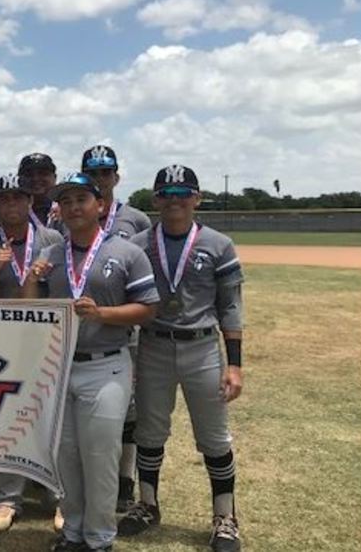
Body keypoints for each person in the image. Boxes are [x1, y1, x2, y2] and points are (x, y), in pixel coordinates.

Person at [22, 172, 159, 552]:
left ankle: (99, 539)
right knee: (66, 454)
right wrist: (33, 279)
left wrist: (103, 314)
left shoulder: (127, 251)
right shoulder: (50, 255)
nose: (73, 207)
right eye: (65, 201)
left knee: (99, 455)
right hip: (61, 364)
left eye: (81, 199)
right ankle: (73, 531)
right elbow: (30, 308)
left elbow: (148, 308)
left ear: (100, 206)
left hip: (106, 363)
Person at [120, 165, 244, 552]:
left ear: (197, 197)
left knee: (213, 435)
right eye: (166, 193)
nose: (174, 200)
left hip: (202, 346)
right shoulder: (138, 244)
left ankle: (225, 516)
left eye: (182, 192)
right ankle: (148, 504)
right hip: (153, 345)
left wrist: (235, 364)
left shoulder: (218, 244)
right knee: (150, 432)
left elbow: (231, 307)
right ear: (154, 199)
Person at [0, 173, 64, 533]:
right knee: (8, 421)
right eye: (5, 200)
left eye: (18, 198)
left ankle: (60, 495)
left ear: (30, 201)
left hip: (45, 343)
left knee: (53, 422)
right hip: (3, 346)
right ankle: (7, 498)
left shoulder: (52, 239)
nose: (11, 205)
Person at [81, 144, 153, 511]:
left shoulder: (136, 220)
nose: (98, 179)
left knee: (130, 410)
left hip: (126, 331)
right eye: (91, 173)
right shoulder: (69, 214)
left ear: (116, 176)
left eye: (104, 173)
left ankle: (125, 480)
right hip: (79, 332)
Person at [17, 153, 57, 227]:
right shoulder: (11, 213)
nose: (36, 179)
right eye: (29, 175)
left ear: (54, 178)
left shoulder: (67, 210)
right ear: (19, 181)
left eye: (43, 174)